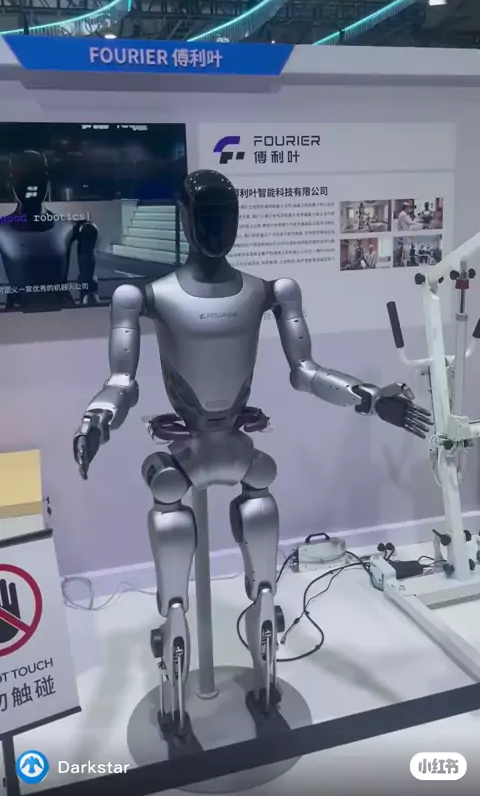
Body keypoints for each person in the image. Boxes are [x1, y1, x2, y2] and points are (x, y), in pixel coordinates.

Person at [73, 169, 431, 739]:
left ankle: (264, 683)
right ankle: (175, 695)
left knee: (263, 571)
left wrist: (366, 397)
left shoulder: (270, 291)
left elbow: (305, 370)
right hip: (188, 448)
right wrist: (97, 420)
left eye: (226, 216)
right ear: (185, 219)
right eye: (205, 216)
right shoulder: (145, 296)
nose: (217, 228)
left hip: (235, 447)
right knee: (175, 551)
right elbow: (122, 381)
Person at [0, 149, 99, 310]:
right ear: (11, 181)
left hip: (62, 313)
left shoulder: (71, 227)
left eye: (37, 175)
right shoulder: (68, 226)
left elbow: (90, 295)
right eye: (24, 175)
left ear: (46, 179)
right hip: (20, 314)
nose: (31, 183)